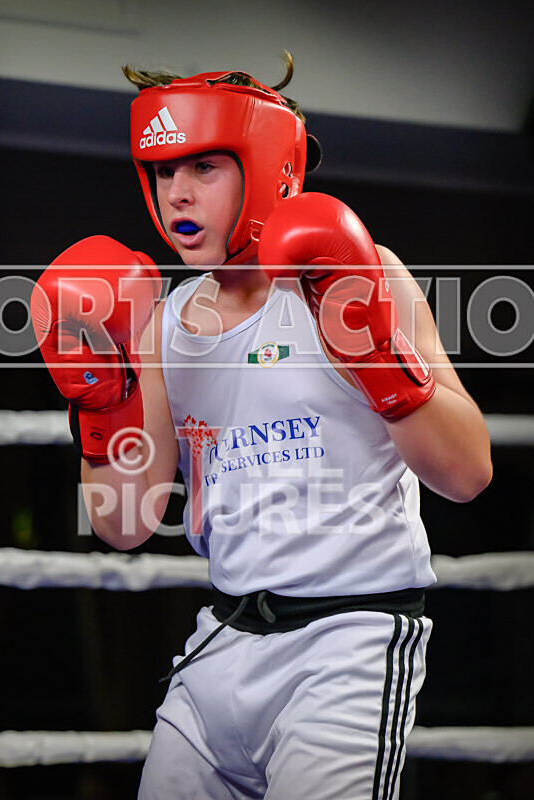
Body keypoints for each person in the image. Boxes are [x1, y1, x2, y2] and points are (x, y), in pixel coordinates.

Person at [31, 54, 493, 799]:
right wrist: (99, 393)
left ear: (270, 165)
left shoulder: (365, 270)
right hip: (220, 645)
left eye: (204, 168)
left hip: (345, 646)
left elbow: (468, 473)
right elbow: (122, 523)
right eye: (161, 173)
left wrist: (372, 351)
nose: (176, 194)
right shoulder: (164, 324)